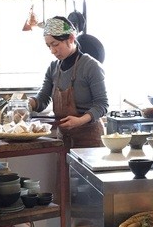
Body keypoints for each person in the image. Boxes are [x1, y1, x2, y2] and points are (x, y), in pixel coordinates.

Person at [29, 16, 108, 149]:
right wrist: (28, 104)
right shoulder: (53, 68)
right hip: (63, 139)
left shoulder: (90, 66)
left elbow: (102, 105)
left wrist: (80, 121)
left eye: (55, 44)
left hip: (89, 139)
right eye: (49, 46)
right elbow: (43, 98)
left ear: (71, 38)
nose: (52, 51)